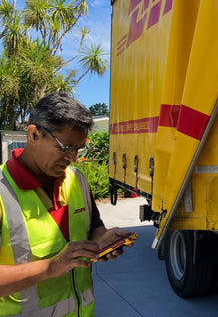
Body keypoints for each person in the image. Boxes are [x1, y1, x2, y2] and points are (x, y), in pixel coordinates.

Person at [0, 92, 132, 316]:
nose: (72, 158)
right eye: (65, 148)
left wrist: (102, 241)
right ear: (33, 135)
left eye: (79, 149)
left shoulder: (77, 180)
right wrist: (52, 267)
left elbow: (93, 228)